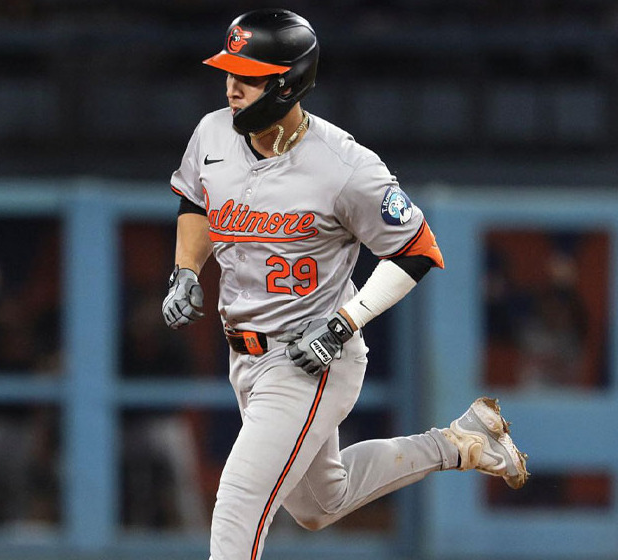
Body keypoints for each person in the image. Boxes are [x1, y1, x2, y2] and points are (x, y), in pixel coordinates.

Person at [162, 9, 529, 560]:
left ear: (287, 82)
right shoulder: (213, 132)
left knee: (238, 503)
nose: (232, 86)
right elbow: (194, 199)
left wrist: (344, 322)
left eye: (249, 74)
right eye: (229, 71)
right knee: (319, 503)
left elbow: (418, 250)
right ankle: (461, 442)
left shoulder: (344, 165)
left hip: (309, 358)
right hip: (244, 354)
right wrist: (187, 269)